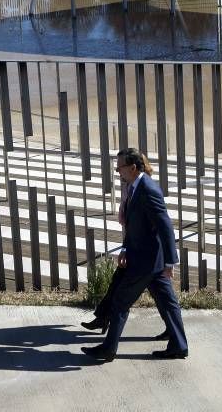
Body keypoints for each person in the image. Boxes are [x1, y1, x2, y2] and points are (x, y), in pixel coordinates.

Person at [81, 148, 188, 362]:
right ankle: (178, 344)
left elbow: (165, 225)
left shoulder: (148, 189)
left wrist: (170, 261)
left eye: (119, 166)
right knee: (167, 301)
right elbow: (136, 226)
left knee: (121, 302)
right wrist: (125, 248)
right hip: (147, 257)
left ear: (132, 167)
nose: (117, 170)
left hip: (147, 260)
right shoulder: (134, 187)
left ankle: (108, 349)